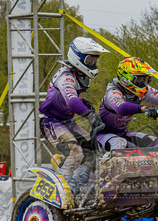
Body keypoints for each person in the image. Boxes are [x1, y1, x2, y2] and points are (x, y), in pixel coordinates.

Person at [38, 37, 108, 185]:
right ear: (78, 57)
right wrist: (89, 114)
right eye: (90, 60)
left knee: (93, 150)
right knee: (75, 152)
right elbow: (71, 101)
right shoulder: (66, 77)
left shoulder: (81, 76)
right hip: (51, 121)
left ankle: (77, 186)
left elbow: (76, 98)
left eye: (95, 60)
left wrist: (86, 104)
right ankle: (58, 188)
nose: (93, 63)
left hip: (67, 121)